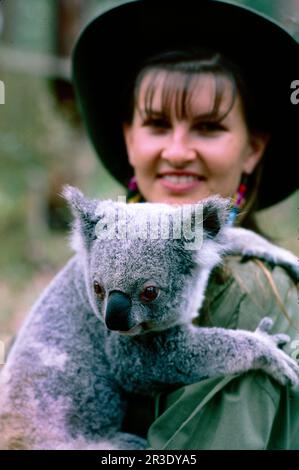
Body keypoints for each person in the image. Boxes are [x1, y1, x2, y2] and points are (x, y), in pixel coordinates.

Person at [0, 0, 298, 450]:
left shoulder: (253, 289)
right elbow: (137, 364)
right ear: (128, 138)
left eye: (208, 127)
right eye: (157, 124)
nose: (178, 151)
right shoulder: (113, 243)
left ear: (253, 148)